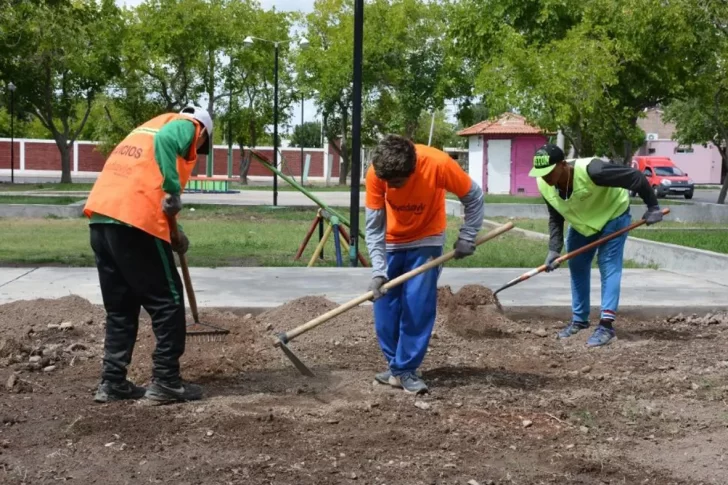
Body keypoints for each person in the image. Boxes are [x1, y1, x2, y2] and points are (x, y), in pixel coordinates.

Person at [83, 106, 213, 404]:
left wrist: (174, 234)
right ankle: (166, 381)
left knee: (121, 307)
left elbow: (140, 184)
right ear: (203, 131)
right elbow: (168, 142)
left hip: (103, 220)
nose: (197, 147)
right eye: (202, 144)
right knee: (168, 302)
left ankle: (112, 382)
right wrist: (173, 190)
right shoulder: (186, 125)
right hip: (135, 223)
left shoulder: (145, 128)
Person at [365, 135, 484, 394]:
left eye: (397, 182)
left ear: (414, 168)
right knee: (384, 306)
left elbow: (474, 196)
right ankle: (396, 366)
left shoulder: (438, 164)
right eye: (388, 183)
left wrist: (467, 235)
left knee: (417, 306)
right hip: (390, 241)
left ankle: (405, 369)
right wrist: (378, 269)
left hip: (426, 239)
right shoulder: (376, 172)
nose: (392, 188)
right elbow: (374, 226)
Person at [528, 144, 663, 347]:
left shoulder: (593, 170)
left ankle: (606, 325)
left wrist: (653, 207)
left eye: (548, 172)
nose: (545, 177)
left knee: (608, 264)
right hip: (583, 224)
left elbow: (635, 177)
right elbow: (556, 216)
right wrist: (554, 249)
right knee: (577, 265)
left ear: (563, 165)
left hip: (612, 215)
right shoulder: (544, 184)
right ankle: (580, 321)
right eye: (541, 173)